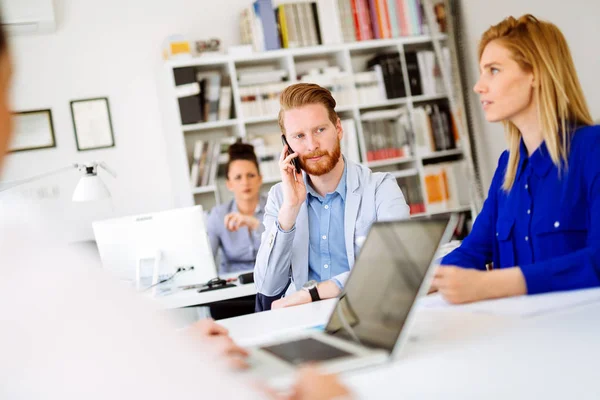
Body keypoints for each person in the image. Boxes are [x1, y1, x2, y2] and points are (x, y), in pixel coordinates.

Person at [0, 19, 351, 399]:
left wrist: (178, 346)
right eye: (7, 91)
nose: (13, 117)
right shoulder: (25, 256)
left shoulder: (282, 199)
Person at [433, 14, 600, 304]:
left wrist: (493, 284)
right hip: (517, 336)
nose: (479, 86)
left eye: (493, 70)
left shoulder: (592, 149)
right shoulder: (507, 168)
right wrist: (415, 285)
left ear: (535, 72)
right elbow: (473, 251)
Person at [254, 83, 410, 311]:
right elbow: (267, 286)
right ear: (287, 145)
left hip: (367, 311)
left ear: (338, 128)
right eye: (299, 136)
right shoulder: (281, 197)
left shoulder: (380, 188)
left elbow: (396, 266)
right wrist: (290, 210)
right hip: (300, 321)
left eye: (320, 130)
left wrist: (314, 294)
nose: (312, 145)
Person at [206, 140, 266, 318]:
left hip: (269, 284)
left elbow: (285, 245)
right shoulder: (218, 215)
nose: (245, 182)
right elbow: (206, 257)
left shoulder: (275, 206)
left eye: (251, 175)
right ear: (229, 184)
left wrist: (254, 223)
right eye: (238, 177)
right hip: (233, 292)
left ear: (260, 178)